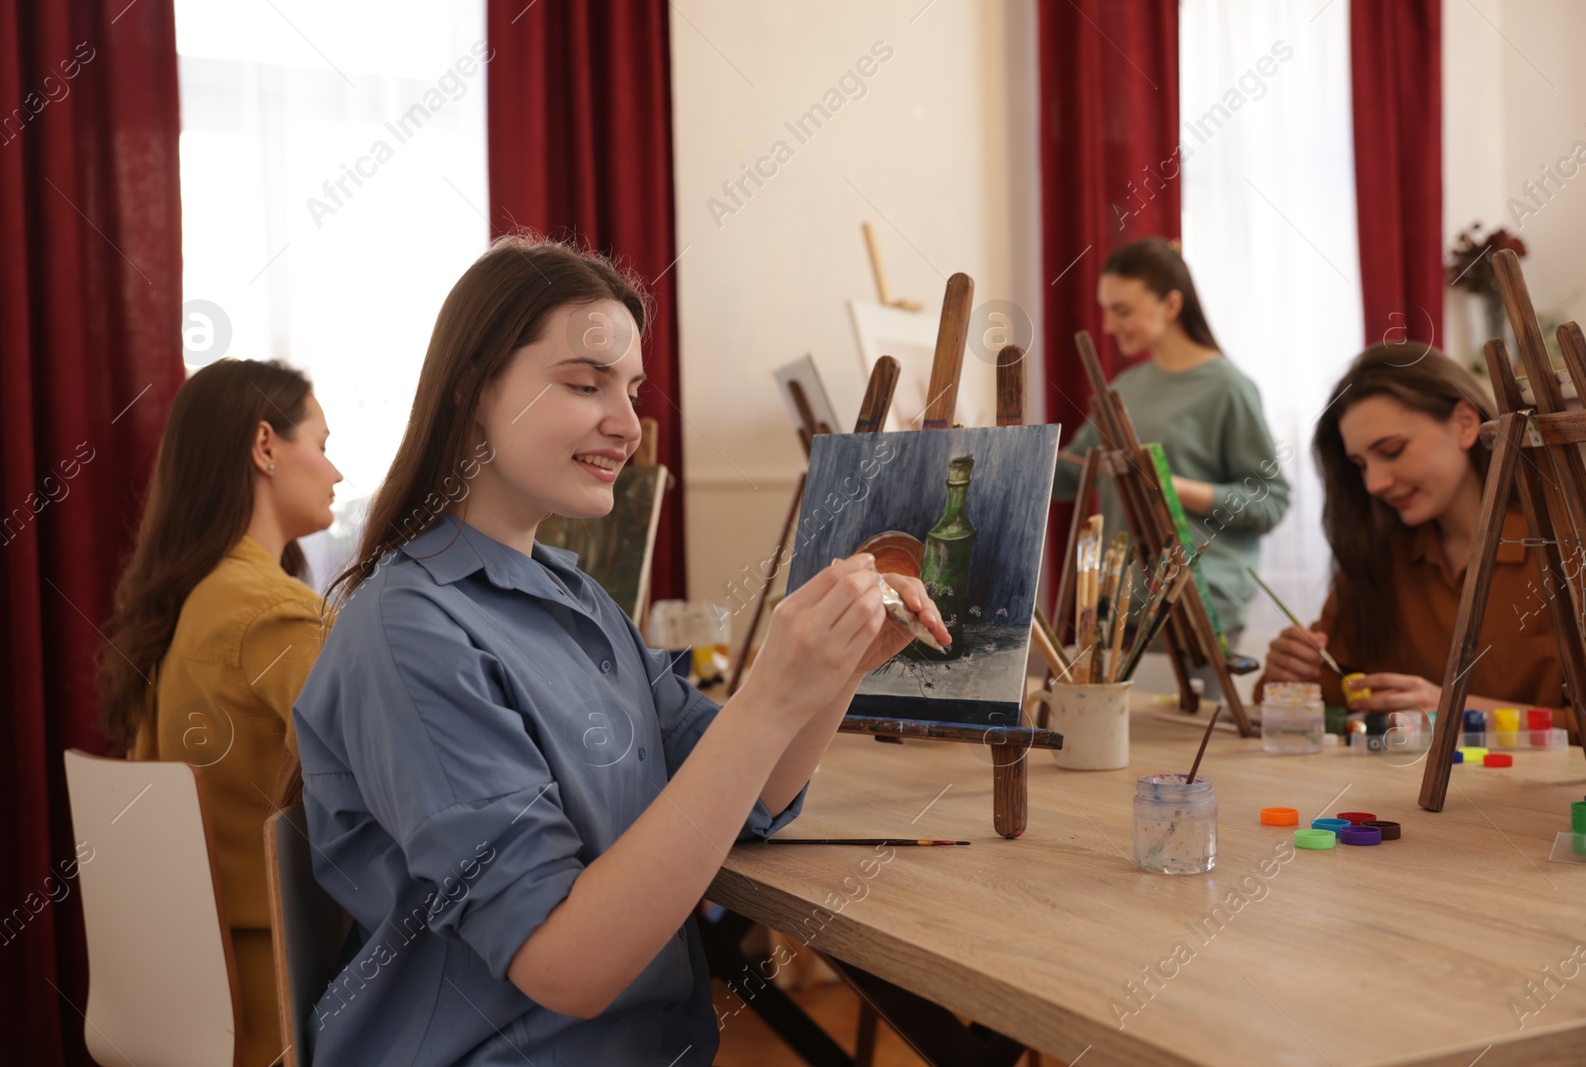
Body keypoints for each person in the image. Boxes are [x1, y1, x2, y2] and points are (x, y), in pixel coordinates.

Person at [290, 236, 947, 1066]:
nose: (627, 424)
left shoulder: (577, 599)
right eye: (583, 383)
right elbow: (565, 967)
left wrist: (840, 670)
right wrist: (772, 696)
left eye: (631, 390)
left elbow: (746, 796)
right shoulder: (411, 628)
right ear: (472, 390)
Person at [98, 358, 342, 1066]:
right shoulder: (272, 613)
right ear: (265, 446)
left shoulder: (190, 600)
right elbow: (387, 780)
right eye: (322, 445)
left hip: (198, 985)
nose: (336, 472)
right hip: (286, 996)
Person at [1259, 342, 1571, 728]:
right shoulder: (1379, 562)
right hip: (1397, 788)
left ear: (1464, 423)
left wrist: (1453, 708)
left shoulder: (1572, 554)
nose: (1374, 483)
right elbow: (1328, 702)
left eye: (1391, 450)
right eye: (1360, 465)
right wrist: (1286, 673)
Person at [1053, 237, 1289, 677]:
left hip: (1194, 609)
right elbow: (1072, 474)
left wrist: (1171, 485)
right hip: (1118, 608)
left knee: (1187, 743)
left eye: (1122, 310)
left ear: (1171, 304)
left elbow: (1270, 501)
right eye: (1106, 310)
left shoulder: (1227, 388)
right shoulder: (1124, 387)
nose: (1107, 326)